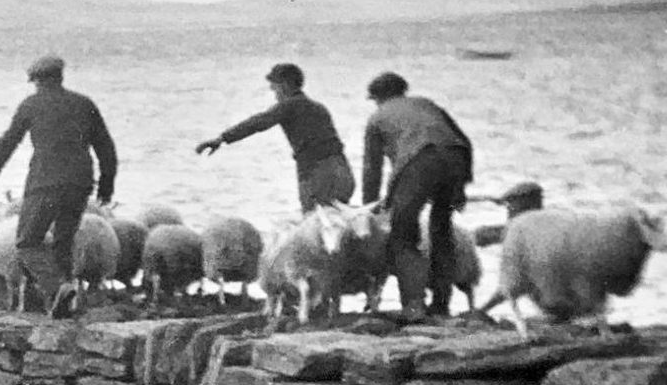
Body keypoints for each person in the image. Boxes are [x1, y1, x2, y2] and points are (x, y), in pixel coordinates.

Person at [0, 54, 118, 314]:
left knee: (27, 242)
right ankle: (61, 308)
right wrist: (106, 187)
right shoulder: (84, 103)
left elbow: (8, 141)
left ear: (36, 81)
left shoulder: (31, 105)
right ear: (60, 77)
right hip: (79, 183)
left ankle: (57, 288)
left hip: (45, 183)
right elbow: (106, 147)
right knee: (63, 242)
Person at [359, 71, 474, 318]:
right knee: (441, 229)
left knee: (402, 233)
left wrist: (369, 207)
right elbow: (462, 140)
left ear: (378, 97)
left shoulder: (377, 118)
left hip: (421, 161)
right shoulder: (426, 104)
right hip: (457, 157)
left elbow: (372, 168)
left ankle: (414, 305)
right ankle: (441, 304)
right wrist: (462, 185)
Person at [194, 63, 356, 213]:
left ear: (285, 85)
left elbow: (258, 122)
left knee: (317, 226)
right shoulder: (319, 108)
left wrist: (222, 138)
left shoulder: (289, 105)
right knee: (340, 223)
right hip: (342, 172)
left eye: (274, 88)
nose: (274, 93)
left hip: (318, 176)